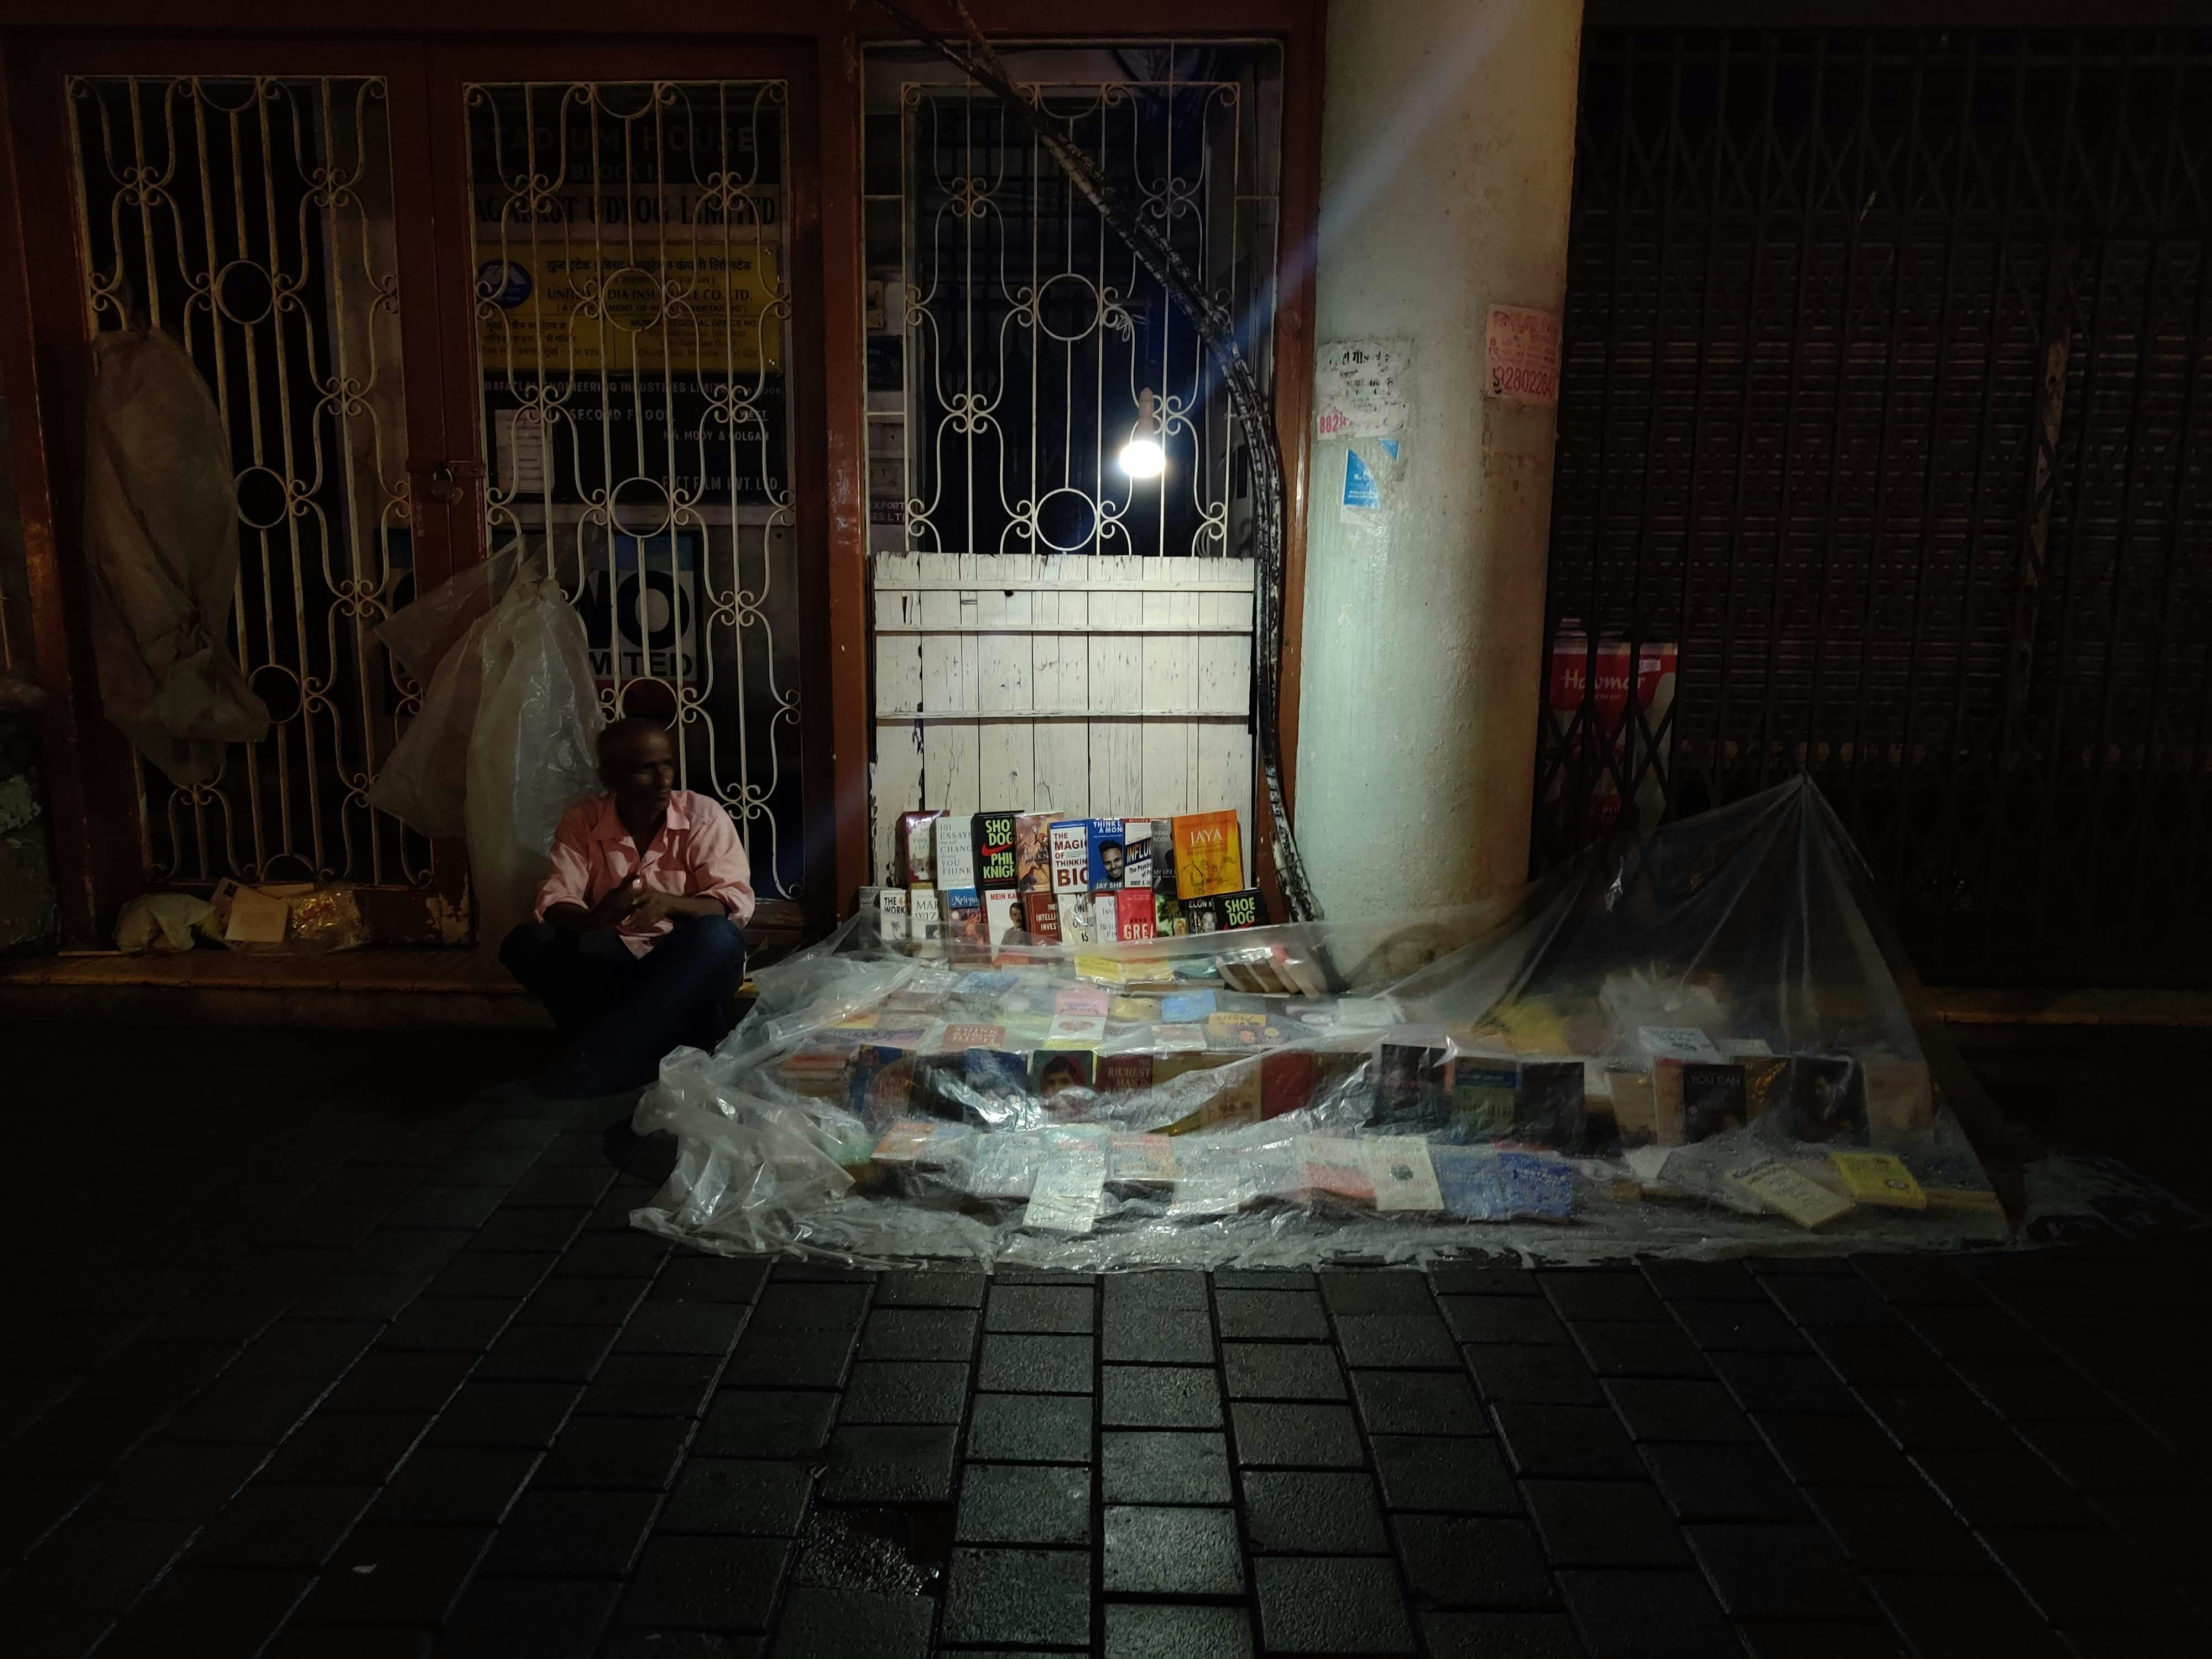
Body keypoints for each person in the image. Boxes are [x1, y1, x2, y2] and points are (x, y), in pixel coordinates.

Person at [500, 718, 754, 1095]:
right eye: (645, 770)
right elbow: (554, 901)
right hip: (617, 956)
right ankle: (644, 1046)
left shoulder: (703, 816)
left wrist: (672, 904)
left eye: (667, 764)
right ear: (613, 778)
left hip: (681, 962)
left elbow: (732, 902)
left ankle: (600, 1056)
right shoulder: (583, 820)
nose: (663, 780)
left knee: (717, 938)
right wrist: (596, 917)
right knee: (527, 942)